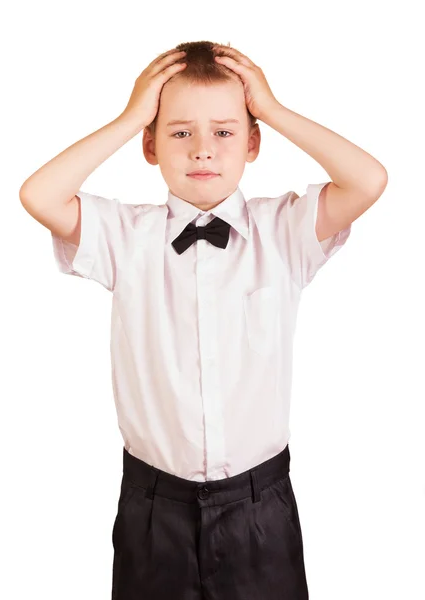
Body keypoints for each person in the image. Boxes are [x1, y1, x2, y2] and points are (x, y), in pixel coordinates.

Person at [19, 40, 388, 600]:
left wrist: (272, 106)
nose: (202, 152)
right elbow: (38, 194)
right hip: (152, 507)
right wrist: (131, 115)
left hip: (261, 505)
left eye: (224, 131)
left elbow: (369, 179)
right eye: (179, 132)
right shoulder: (126, 236)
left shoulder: (282, 231)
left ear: (252, 140)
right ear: (151, 144)